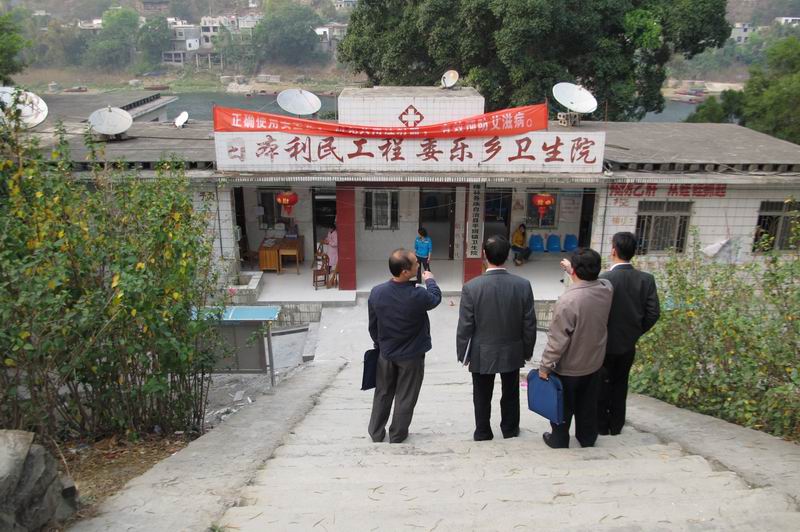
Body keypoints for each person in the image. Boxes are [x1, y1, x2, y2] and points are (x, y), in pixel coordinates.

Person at [456, 235, 537, 441]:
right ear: (508, 255)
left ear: (484, 255)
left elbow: (465, 325)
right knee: (511, 392)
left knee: (481, 394)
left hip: (482, 350)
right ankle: (510, 429)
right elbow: (529, 323)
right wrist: (527, 350)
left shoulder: (472, 287)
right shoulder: (522, 285)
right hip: (512, 348)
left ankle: (483, 431)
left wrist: (463, 354)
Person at [538, 248, 613, 449]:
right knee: (588, 404)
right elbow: (597, 281)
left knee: (563, 406)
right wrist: (574, 270)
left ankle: (559, 439)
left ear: (575, 271)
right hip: (594, 362)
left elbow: (557, 341)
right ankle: (587, 438)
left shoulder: (568, 301)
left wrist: (545, 367)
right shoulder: (606, 290)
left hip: (570, 367)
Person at [368, 249, 442, 443]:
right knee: (405, 396)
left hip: (386, 353)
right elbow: (435, 298)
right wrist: (430, 280)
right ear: (405, 271)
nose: (418, 265)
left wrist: (380, 345)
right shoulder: (417, 295)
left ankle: (376, 432)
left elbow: (373, 326)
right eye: (415, 263)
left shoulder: (377, 292)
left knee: (383, 393)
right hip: (411, 355)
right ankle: (397, 434)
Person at [597, 232, 660, 435]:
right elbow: (653, 313)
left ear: (613, 250)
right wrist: (636, 331)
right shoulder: (646, 279)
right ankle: (616, 424)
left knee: (602, 383)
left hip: (604, 343)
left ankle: (601, 424)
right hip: (628, 343)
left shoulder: (603, 280)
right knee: (621, 382)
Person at [323, 223, 338, 288]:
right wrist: (326, 240)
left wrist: (329, 242)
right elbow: (328, 238)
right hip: (330, 249)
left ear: (332, 228)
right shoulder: (329, 232)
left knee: (333, 261)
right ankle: (328, 270)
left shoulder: (335, 233)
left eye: (329, 228)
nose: (328, 229)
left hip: (334, 250)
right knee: (329, 260)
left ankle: (333, 272)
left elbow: (335, 243)